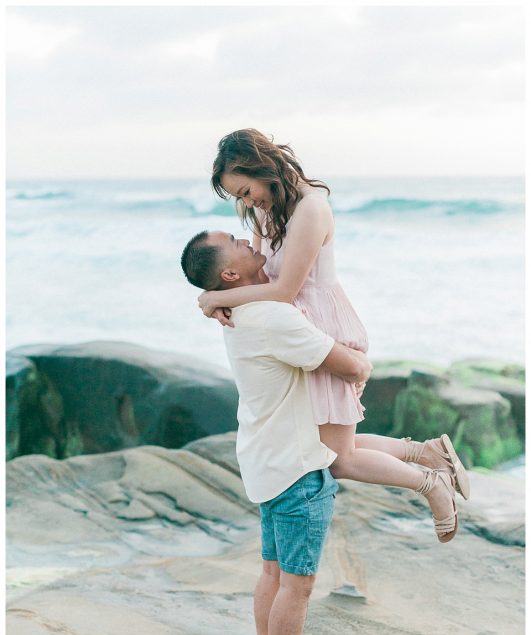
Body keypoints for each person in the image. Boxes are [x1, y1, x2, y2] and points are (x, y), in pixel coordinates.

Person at [197, 128, 470, 543]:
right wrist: (222, 298)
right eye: (239, 195)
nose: (247, 202)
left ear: (262, 166)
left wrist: (216, 298)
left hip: (323, 329)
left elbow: (285, 288)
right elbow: (262, 275)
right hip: (296, 332)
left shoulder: (310, 209)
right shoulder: (268, 211)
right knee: (335, 446)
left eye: (246, 189)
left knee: (339, 459)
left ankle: (431, 483)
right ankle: (424, 453)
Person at [181, 228, 373, 635]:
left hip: (266, 458)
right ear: (230, 273)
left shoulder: (241, 311)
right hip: (297, 465)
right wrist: (361, 358)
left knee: (272, 572)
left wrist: (211, 298)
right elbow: (349, 366)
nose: (252, 243)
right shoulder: (269, 314)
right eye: (239, 244)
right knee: (297, 583)